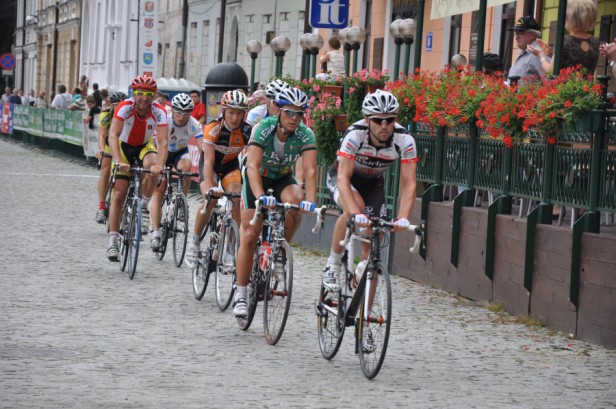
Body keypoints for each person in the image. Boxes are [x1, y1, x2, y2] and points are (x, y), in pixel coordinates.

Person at [322, 89, 418, 291]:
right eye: (377, 120)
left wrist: (403, 217)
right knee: (353, 209)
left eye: (389, 119)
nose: (384, 125)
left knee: (373, 249)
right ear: (367, 120)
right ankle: (333, 263)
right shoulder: (355, 134)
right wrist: (357, 214)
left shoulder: (405, 140)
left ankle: (364, 317)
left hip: (374, 185)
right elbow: (343, 178)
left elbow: (409, 183)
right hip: (344, 179)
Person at [232, 87, 317, 317]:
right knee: (250, 234)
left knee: (296, 202)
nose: (294, 118)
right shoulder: (263, 128)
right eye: (290, 112)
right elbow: (251, 166)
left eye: (300, 114)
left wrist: (311, 201)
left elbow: (309, 169)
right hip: (256, 176)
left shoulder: (305, 134)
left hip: (281, 177)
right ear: (279, 110)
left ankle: (279, 251)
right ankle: (240, 292)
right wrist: (260, 196)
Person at [185, 90, 252, 267]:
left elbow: (250, 159)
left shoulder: (247, 131)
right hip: (211, 166)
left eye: (239, 113)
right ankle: (195, 242)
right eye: (231, 112)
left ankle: (231, 248)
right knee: (211, 200)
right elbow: (207, 161)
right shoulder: (213, 128)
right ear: (223, 111)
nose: (235, 117)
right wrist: (210, 187)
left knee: (236, 198)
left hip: (230, 167)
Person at [106, 75, 169, 261]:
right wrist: (118, 160)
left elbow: (164, 141)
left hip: (144, 146)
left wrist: (160, 165)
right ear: (134, 94)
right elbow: (112, 135)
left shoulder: (159, 111)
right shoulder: (125, 107)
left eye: (148, 94)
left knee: (151, 167)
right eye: (140, 94)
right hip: (123, 147)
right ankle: (113, 240)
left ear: (153, 95)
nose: (144, 98)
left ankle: (143, 206)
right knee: (119, 194)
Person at [149, 93, 204, 250]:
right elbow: (160, 145)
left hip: (179, 152)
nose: (181, 117)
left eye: (186, 114)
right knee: (159, 190)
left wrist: (206, 168)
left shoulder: (194, 124)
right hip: (161, 151)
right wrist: (159, 167)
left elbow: (202, 149)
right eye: (178, 112)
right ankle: (156, 232)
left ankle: (181, 201)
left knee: (187, 167)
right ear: (172, 110)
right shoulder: (164, 118)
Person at [527, 0, 599, 75]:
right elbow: (578, 59)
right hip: (588, 86)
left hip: (567, 86)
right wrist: (552, 54)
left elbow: (551, 71)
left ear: (569, 18)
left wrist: (541, 55)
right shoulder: (595, 41)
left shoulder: (563, 41)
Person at [95, 91, 128, 224]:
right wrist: (102, 150)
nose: (120, 108)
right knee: (105, 168)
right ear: (112, 106)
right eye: (117, 105)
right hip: (110, 143)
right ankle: (102, 207)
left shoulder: (129, 115)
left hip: (124, 145)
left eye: (122, 105)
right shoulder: (106, 115)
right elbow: (102, 136)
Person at [507, 16, 545, 81]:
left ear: (532, 35)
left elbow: (548, 82)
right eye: (516, 33)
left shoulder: (538, 53)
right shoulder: (523, 52)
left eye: (520, 33)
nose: (516, 37)